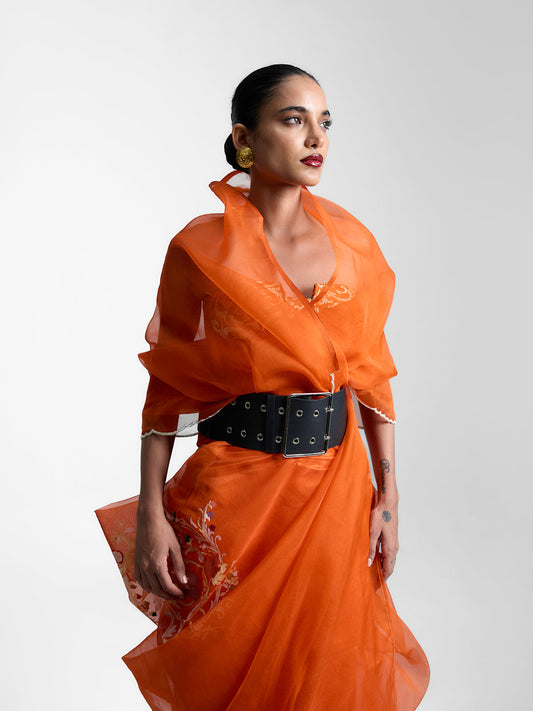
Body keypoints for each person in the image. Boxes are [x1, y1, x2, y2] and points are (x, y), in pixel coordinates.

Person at [96, 64, 430, 711]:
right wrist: (150, 514)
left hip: (335, 491)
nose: (316, 137)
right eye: (293, 119)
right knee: (231, 676)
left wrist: (387, 496)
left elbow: (371, 380)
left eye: (324, 121)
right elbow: (166, 392)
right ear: (245, 139)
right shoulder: (199, 249)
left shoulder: (354, 244)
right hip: (237, 494)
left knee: (326, 670)